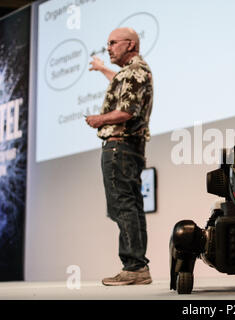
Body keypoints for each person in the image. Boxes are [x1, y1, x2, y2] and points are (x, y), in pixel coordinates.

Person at [86, 27, 153, 286]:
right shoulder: (134, 72)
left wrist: (98, 119)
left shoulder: (135, 71)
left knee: (123, 206)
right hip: (130, 149)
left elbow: (126, 111)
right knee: (131, 206)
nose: (109, 47)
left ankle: (134, 267)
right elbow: (124, 86)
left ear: (131, 45)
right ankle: (137, 267)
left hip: (119, 148)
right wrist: (103, 69)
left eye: (113, 42)